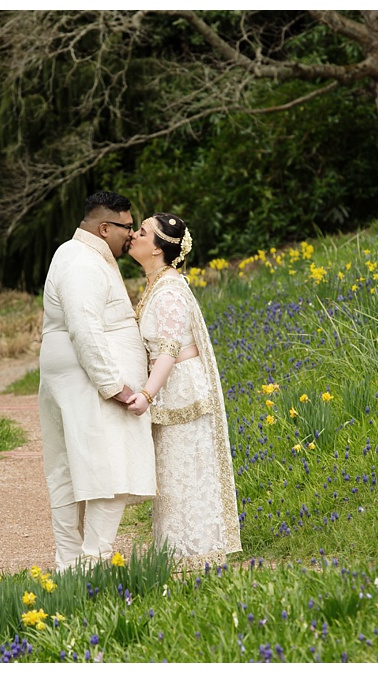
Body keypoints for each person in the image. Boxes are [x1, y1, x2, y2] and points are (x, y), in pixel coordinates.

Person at [38, 191, 157, 571]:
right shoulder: (82, 262)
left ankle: (72, 565)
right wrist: (115, 386)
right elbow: (85, 328)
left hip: (76, 377)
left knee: (75, 469)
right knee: (105, 468)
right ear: (104, 228)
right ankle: (88, 562)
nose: (132, 235)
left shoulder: (83, 256)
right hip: (87, 381)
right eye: (126, 226)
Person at [125, 213, 242, 569]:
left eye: (142, 232)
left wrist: (146, 394)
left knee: (184, 472)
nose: (133, 235)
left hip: (179, 390)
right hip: (169, 387)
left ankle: (194, 557)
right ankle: (175, 555)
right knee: (172, 474)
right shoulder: (158, 284)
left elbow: (170, 348)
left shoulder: (171, 290)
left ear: (158, 249)